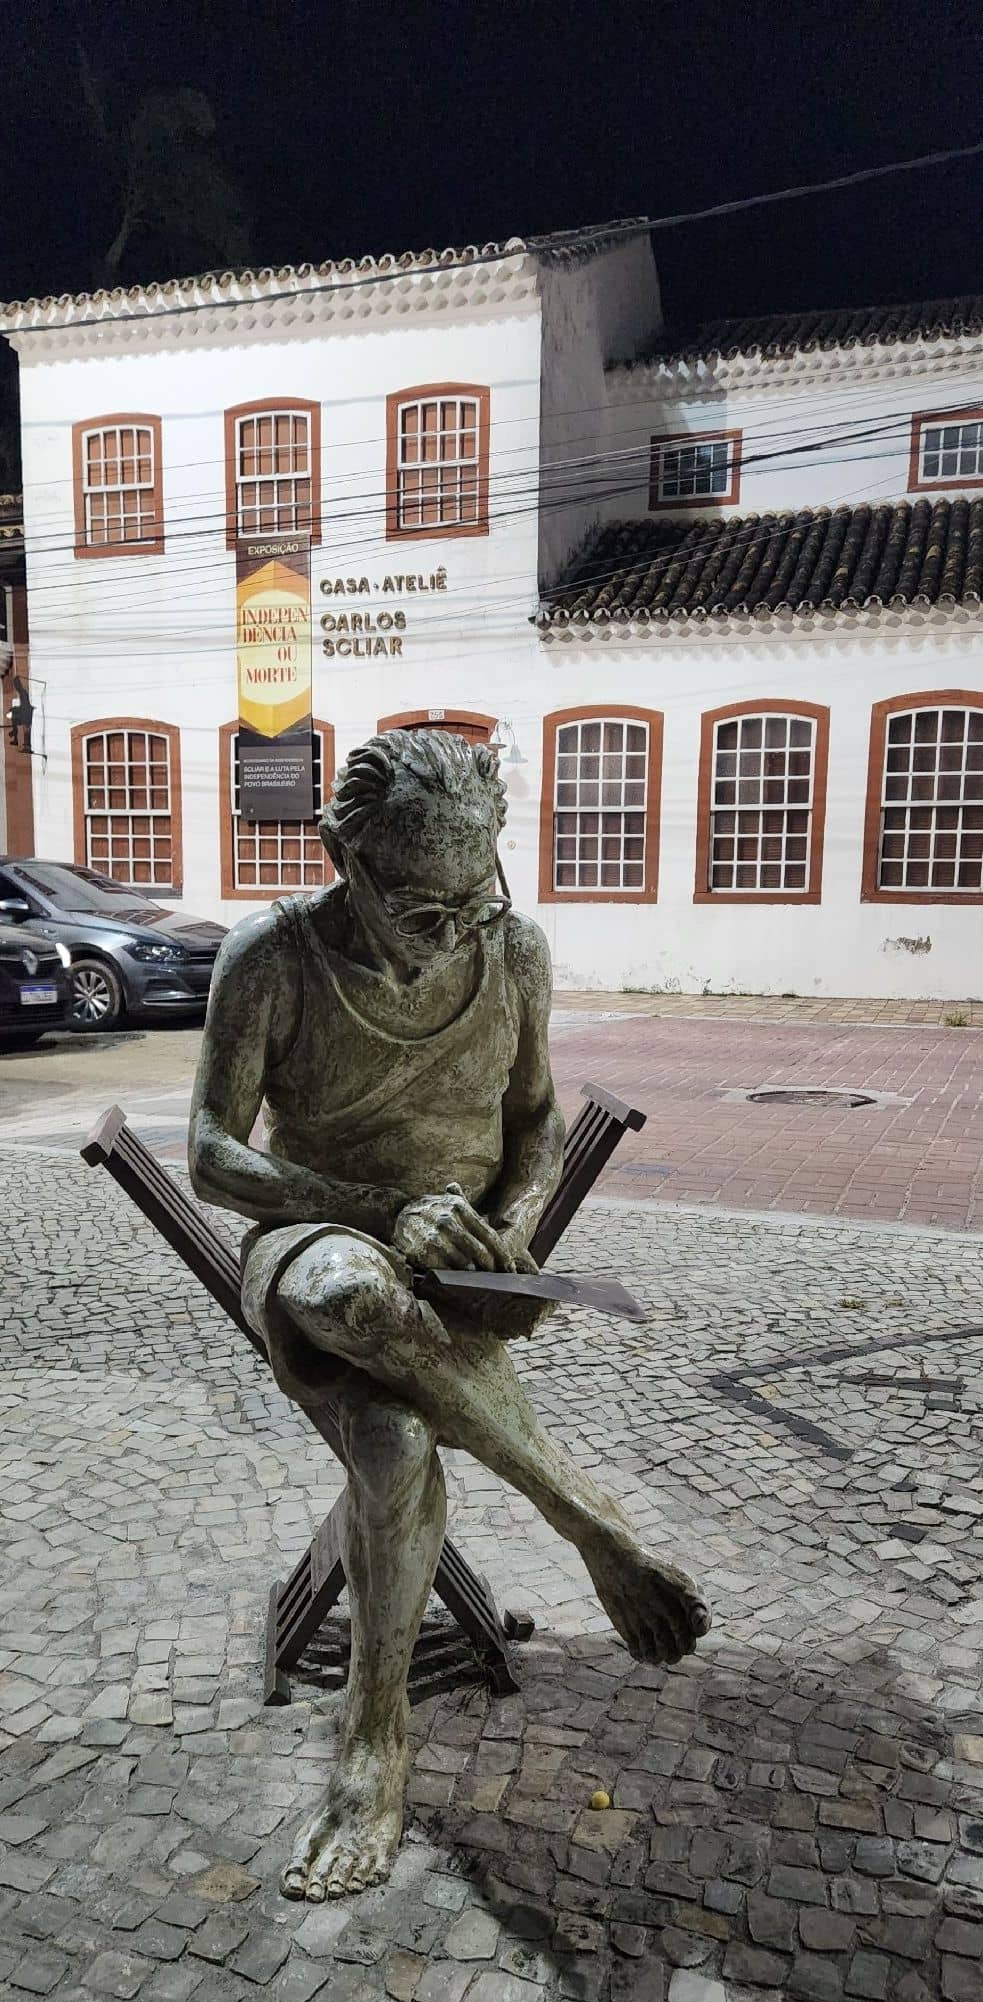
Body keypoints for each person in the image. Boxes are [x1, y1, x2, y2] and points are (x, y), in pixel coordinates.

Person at [189, 728, 709, 1902]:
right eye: (419, 913)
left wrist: (513, 1227)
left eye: (472, 901)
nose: (451, 935)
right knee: (349, 1287)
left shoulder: (510, 949)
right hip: (316, 1240)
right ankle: (581, 1513)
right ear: (340, 855)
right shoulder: (271, 955)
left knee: (393, 1438)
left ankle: (374, 1752)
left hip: (457, 1274)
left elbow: (531, 1126)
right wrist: (379, 1207)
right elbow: (215, 1158)